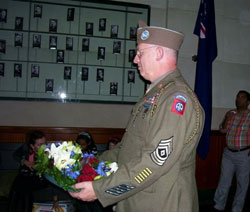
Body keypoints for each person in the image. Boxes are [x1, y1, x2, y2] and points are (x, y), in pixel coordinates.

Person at [69, 21, 205, 212]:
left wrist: (102, 189)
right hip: (138, 198)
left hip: (161, 203)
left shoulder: (176, 99)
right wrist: (92, 163)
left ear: (158, 53)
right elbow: (129, 148)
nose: (134, 59)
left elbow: (155, 161)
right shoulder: (156, 94)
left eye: (140, 53)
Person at [213, 90, 250, 212]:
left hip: (244, 154)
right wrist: (226, 119)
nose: (239, 99)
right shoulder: (231, 114)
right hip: (228, 154)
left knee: (242, 184)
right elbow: (222, 130)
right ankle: (219, 206)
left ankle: (237, 209)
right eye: (238, 97)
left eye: (242, 97)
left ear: (248, 101)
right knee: (224, 181)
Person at [9, 130, 47, 212]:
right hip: (25, 175)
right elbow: (15, 155)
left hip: (39, 178)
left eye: (45, 143)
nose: (44, 147)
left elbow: (45, 170)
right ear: (32, 146)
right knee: (16, 187)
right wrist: (24, 161)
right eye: (40, 145)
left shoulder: (47, 152)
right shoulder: (25, 148)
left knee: (25, 187)